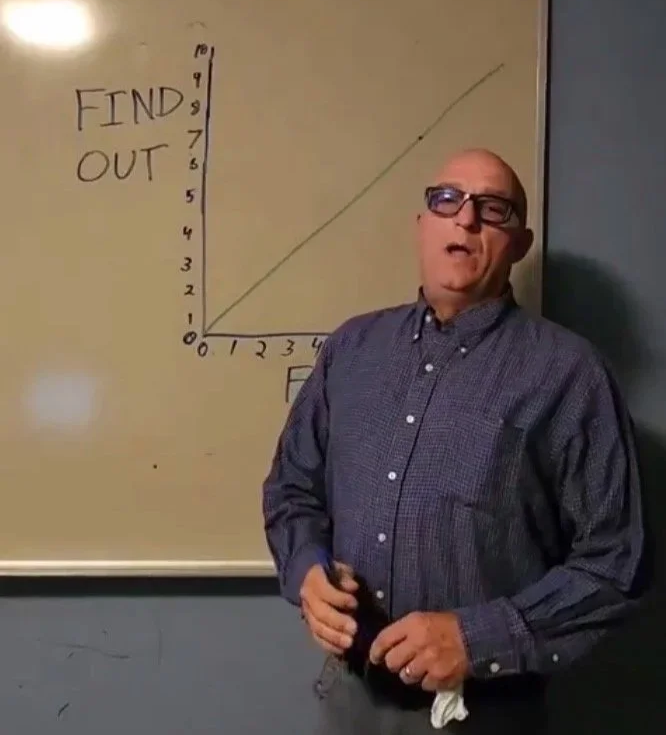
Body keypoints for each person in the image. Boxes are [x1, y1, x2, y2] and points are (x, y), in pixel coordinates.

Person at [262, 148, 648, 734]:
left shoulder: (570, 374)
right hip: (350, 703)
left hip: (487, 712)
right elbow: (292, 487)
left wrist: (476, 638)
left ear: (519, 243)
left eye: (493, 209)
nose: (465, 219)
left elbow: (617, 564)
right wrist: (306, 568)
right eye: (447, 200)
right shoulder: (351, 350)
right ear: (423, 225)